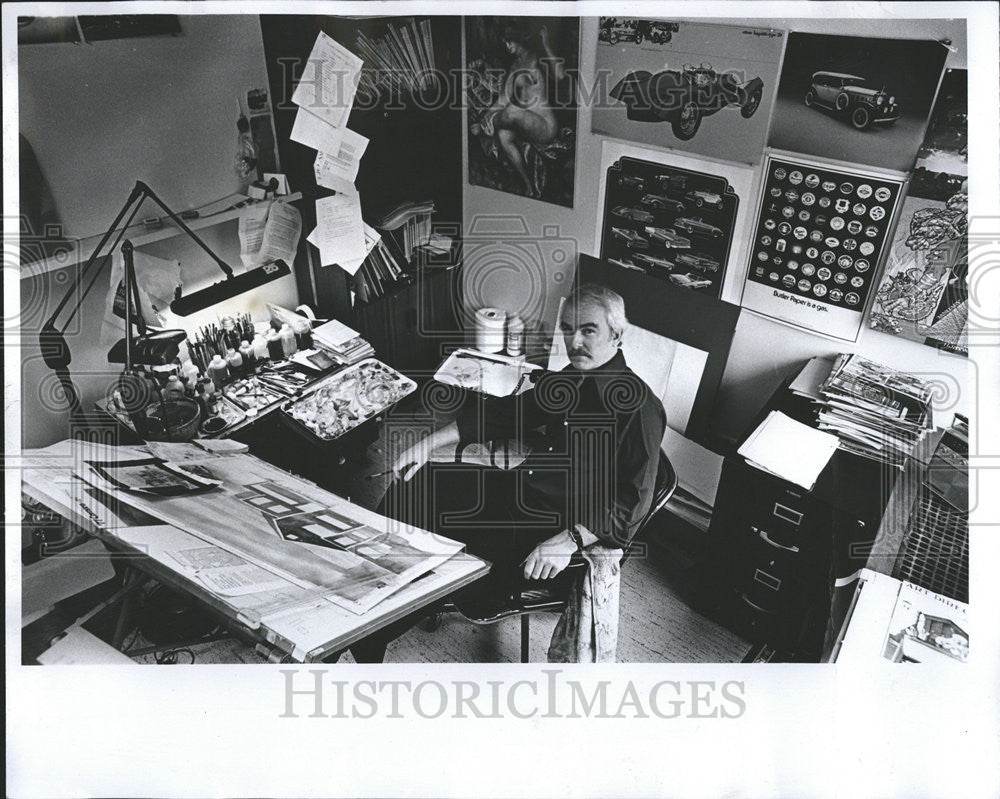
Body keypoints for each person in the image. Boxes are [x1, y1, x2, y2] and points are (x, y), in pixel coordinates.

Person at [384, 284, 666, 612]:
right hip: (525, 488)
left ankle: (375, 624)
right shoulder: (572, 378)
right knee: (417, 482)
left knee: (446, 570)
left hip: (556, 524)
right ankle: (364, 567)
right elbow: (510, 414)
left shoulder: (640, 409)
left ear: (617, 335)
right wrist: (427, 444)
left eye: (589, 330)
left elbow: (633, 501)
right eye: (568, 330)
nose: (574, 343)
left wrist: (569, 540)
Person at [473, 24, 567, 197]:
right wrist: (484, 117)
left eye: (509, 41)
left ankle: (486, 127)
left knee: (513, 111)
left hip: (545, 125)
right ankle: (528, 185)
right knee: (503, 135)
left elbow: (560, 75)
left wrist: (546, 44)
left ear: (519, 40)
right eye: (505, 42)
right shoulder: (515, 66)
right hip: (526, 123)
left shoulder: (537, 58)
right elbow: (503, 99)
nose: (507, 46)